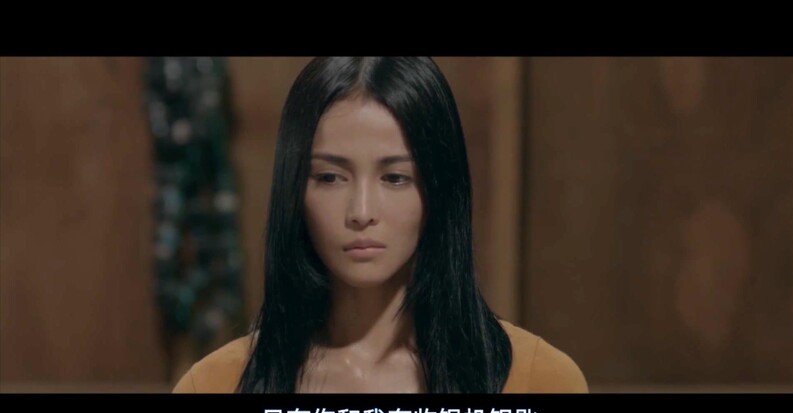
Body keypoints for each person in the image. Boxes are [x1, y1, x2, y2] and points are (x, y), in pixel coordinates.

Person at [172, 57, 588, 394]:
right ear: (293, 190)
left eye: (395, 178)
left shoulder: (540, 379)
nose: (361, 211)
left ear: (440, 189)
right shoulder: (215, 384)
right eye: (330, 177)